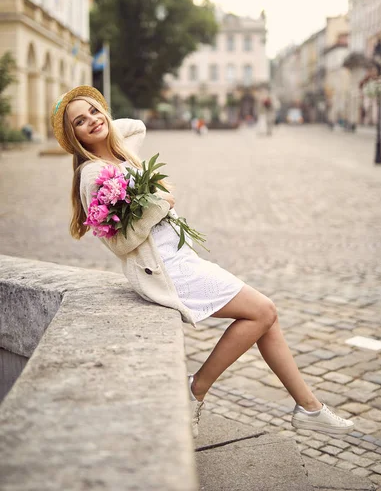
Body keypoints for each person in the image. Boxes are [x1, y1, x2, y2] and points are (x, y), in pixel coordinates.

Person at [51, 85, 355, 439]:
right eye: (80, 122)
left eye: (95, 111)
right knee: (263, 310)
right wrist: (160, 202)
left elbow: (135, 126)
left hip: (180, 259)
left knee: (266, 318)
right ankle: (196, 389)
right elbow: (120, 244)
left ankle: (309, 408)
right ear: (73, 137)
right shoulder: (92, 175)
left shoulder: (119, 157)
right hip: (165, 269)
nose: (92, 121)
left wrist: (100, 123)